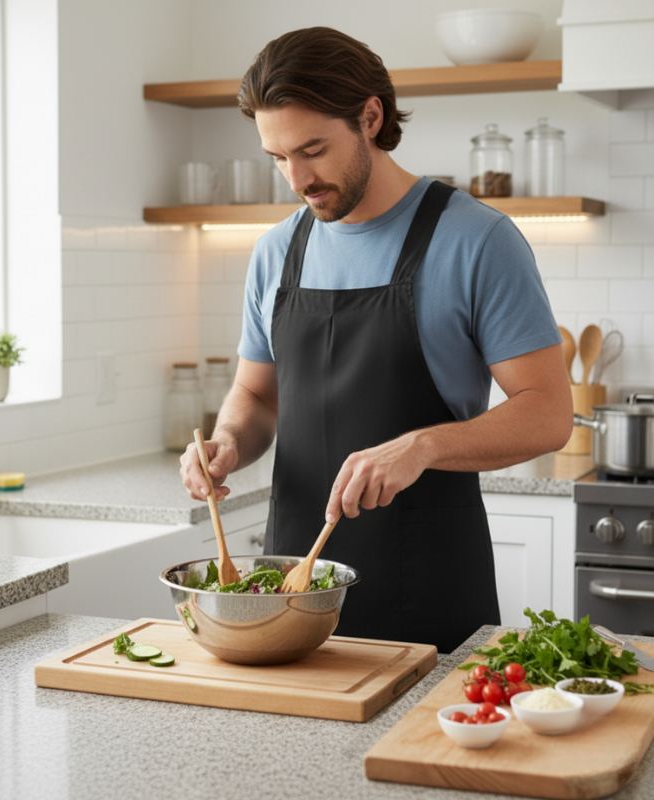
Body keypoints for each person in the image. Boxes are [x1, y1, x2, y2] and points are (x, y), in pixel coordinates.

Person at [179, 27, 573, 653]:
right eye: (278, 158)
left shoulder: (477, 240)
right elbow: (256, 396)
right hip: (289, 593)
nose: (297, 179)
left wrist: (419, 447)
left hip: (430, 591)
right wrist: (226, 443)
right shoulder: (276, 252)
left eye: (312, 149)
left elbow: (549, 414)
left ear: (370, 117)